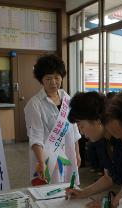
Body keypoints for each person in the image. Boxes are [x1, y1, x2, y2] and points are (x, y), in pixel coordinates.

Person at [67, 91, 122, 208]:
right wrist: (83, 192)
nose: (81, 132)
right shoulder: (100, 141)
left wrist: (111, 205)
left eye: (81, 126)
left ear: (97, 120)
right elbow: (109, 177)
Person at [24, 54, 81, 186]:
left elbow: (74, 129)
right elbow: (35, 135)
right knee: (49, 190)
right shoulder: (34, 104)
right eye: (48, 78)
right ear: (41, 80)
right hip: (47, 156)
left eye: (57, 77)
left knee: (68, 187)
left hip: (68, 153)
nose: (53, 82)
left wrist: (77, 153)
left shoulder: (67, 98)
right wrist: (41, 161)